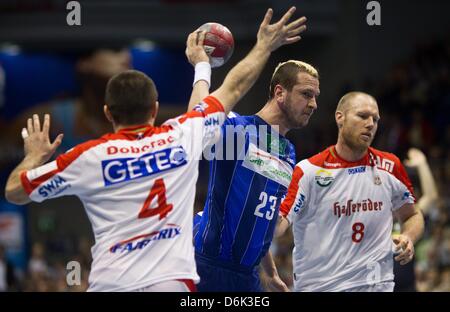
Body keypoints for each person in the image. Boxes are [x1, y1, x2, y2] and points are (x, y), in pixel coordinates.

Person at [4, 7, 306, 292]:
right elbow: (233, 88)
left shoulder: (87, 156)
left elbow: (15, 191)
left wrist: (34, 156)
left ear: (109, 113)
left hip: (112, 283)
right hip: (170, 282)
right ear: (155, 108)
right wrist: (256, 48)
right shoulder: (181, 137)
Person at [278, 91, 425, 292]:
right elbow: (277, 226)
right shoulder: (308, 171)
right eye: (363, 116)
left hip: (377, 285)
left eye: (375, 119)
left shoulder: (390, 166)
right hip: (321, 287)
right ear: (340, 117)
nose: (370, 124)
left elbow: (413, 214)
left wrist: (408, 236)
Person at [191, 59, 318, 290]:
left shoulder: (287, 151)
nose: (314, 104)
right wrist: (201, 66)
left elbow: (263, 218)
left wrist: (269, 271)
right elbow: (197, 118)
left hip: (248, 276)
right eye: (307, 94)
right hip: (210, 267)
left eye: (315, 96)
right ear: (280, 92)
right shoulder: (238, 129)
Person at [393, 147, 439, 292]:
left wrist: (422, 165)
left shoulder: (410, 218)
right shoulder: (375, 217)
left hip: (408, 287)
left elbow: (431, 197)